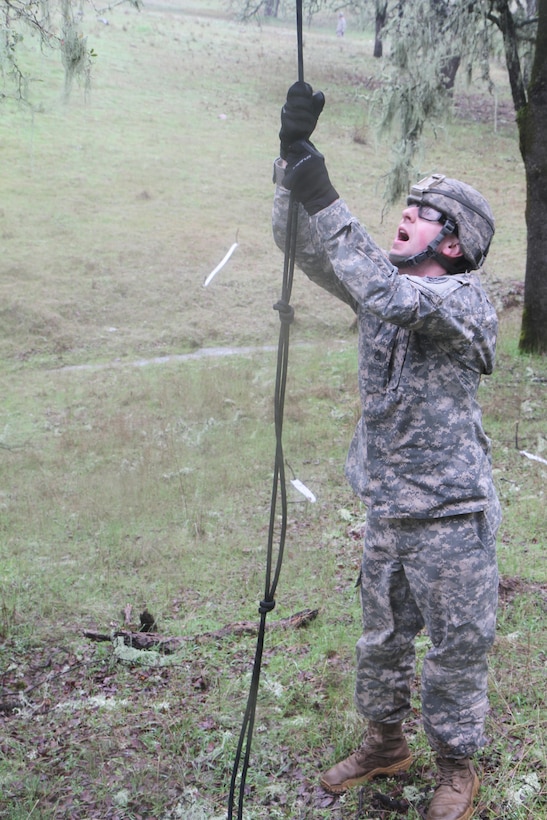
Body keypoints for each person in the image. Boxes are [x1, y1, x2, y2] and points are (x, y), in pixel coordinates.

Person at [272, 82, 501, 820]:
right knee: (379, 641)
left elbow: (398, 300)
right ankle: (383, 743)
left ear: (454, 241)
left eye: (421, 216)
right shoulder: (381, 288)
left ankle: (457, 767)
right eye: (403, 210)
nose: (403, 220)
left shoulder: (466, 303)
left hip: (451, 517)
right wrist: (290, 164)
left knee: (455, 651)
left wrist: (328, 193)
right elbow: (303, 245)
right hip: (387, 511)